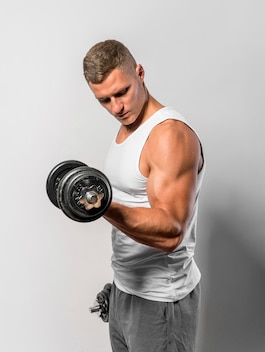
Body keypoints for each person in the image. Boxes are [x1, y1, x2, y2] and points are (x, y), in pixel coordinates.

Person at [82, 39, 205, 351]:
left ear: (139, 73)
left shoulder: (169, 135)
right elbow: (135, 201)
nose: (117, 107)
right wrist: (121, 288)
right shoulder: (128, 128)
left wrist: (102, 205)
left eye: (122, 92)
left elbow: (171, 232)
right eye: (104, 100)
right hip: (126, 293)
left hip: (160, 302)